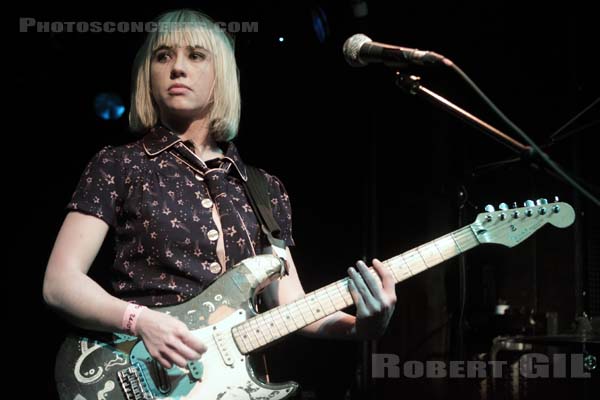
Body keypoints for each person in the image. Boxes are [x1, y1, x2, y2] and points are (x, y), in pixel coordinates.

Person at [43, 9, 396, 377]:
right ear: (148, 75)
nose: (177, 67)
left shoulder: (264, 189)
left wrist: (361, 328)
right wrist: (139, 320)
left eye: (196, 56)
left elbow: (290, 306)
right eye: (163, 56)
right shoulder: (118, 165)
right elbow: (60, 283)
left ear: (221, 75)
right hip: (144, 375)